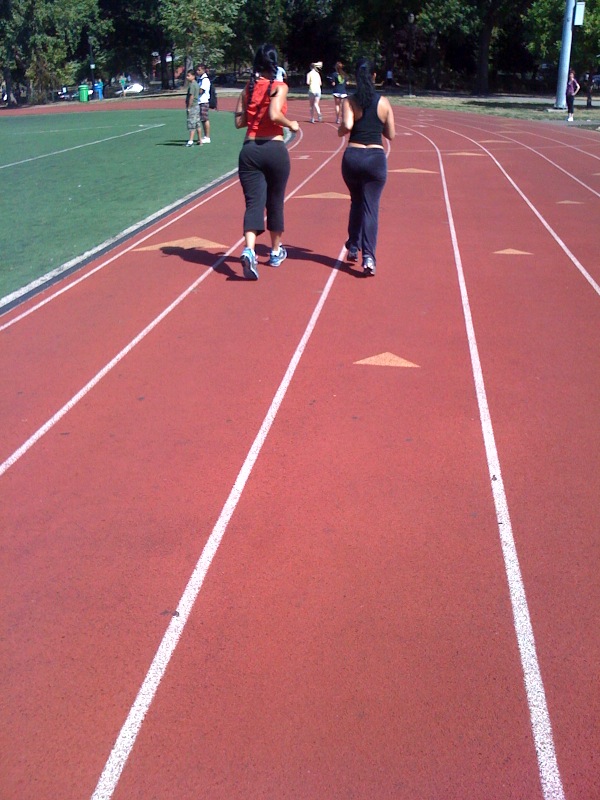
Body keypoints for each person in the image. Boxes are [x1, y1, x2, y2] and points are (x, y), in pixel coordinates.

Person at [234, 43, 299, 280]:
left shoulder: (248, 88)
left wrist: (251, 110)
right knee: (275, 201)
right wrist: (291, 124)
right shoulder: (278, 87)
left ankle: (249, 250)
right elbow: (274, 114)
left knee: (253, 203)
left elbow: (239, 122)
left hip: (250, 149)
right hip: (274, 148)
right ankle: (275, 251)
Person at [338, 56, 395, 276]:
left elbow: (346, 125)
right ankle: (368, 256)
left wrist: (341, 130)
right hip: (375, 159)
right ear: (374, 76)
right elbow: (391, 134)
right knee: (371, 207)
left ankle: (354, 245)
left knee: (356, 201)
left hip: (353, 157)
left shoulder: (350, 101)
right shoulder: (383, 103)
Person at [184, 69, 202, 146]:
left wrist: (189, 107)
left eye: (189, 76)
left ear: (193, 76)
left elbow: (191, 96)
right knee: (198, 123)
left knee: (192, 123)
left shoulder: (192, 85)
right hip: (196, 106)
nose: (187, 77)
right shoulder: (196, 84)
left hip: (193, 106)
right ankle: (200, 140)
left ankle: (190, 141)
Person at [196, 64, 211, 142]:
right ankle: (205, 136)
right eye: (197, 70)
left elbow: (201, 91)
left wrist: (194, 91)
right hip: (199, 101)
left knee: (205, 119)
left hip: (203, 101)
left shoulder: (205, 80)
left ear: (203, 70)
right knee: (202, 119)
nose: (197, 71)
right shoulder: (199, 79)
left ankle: (207, 137)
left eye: (199, 70)